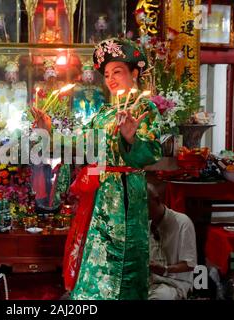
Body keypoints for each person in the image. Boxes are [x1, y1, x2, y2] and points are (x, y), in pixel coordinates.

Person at [31, 37, 162, 299]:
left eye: (118, 72)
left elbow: (151, 154)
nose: (111, 79)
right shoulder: (103, 114)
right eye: (107, 74)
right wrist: (49, 133)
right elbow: (80, 143)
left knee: (124, 261)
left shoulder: (144, 108)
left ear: (134, 73)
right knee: (95, 254)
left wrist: (131, 139)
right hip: (101, 194)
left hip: (126, 194)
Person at [147, 184, 197, 300]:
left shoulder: (182, 222)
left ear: (157, 200)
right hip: (149, 281)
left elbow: (189, 264)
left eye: (146, 206)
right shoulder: (145, 223)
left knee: (158, 298)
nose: (142, 211)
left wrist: (165, 269)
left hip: (174, 283)